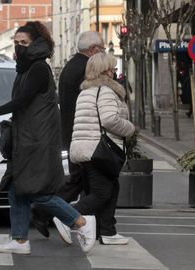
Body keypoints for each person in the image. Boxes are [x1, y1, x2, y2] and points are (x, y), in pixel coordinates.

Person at [0, 21, 96, 254]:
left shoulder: (38, 69)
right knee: (16, 188)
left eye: (24, 42)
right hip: (27, 138)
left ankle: (80, 221)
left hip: (37, 141)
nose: (19, 47)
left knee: (36, 192)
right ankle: (20, 240)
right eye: (16, 42)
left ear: (36, 44)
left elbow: (23, 101)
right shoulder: (26, 68)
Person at [53, 52, 135, 245]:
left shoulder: (86, 91)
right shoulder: (105, 91)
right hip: (98, 150)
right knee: (102, 193)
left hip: (86, 148)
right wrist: (130, 128)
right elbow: (109, 120)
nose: (115, 71)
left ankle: (107, 231)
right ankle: (67, 216)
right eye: (113, 67)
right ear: (105, 70)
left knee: (111, 188)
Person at [31, 31, 106, 238]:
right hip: (80, 133)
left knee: (82, 181)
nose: (103, 53)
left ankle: (90, 224)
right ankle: (45, 211)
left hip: (73, 131)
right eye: (102, 49)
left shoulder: (72, 65)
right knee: (80, 180)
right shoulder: (85, 68)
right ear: (92, 50)